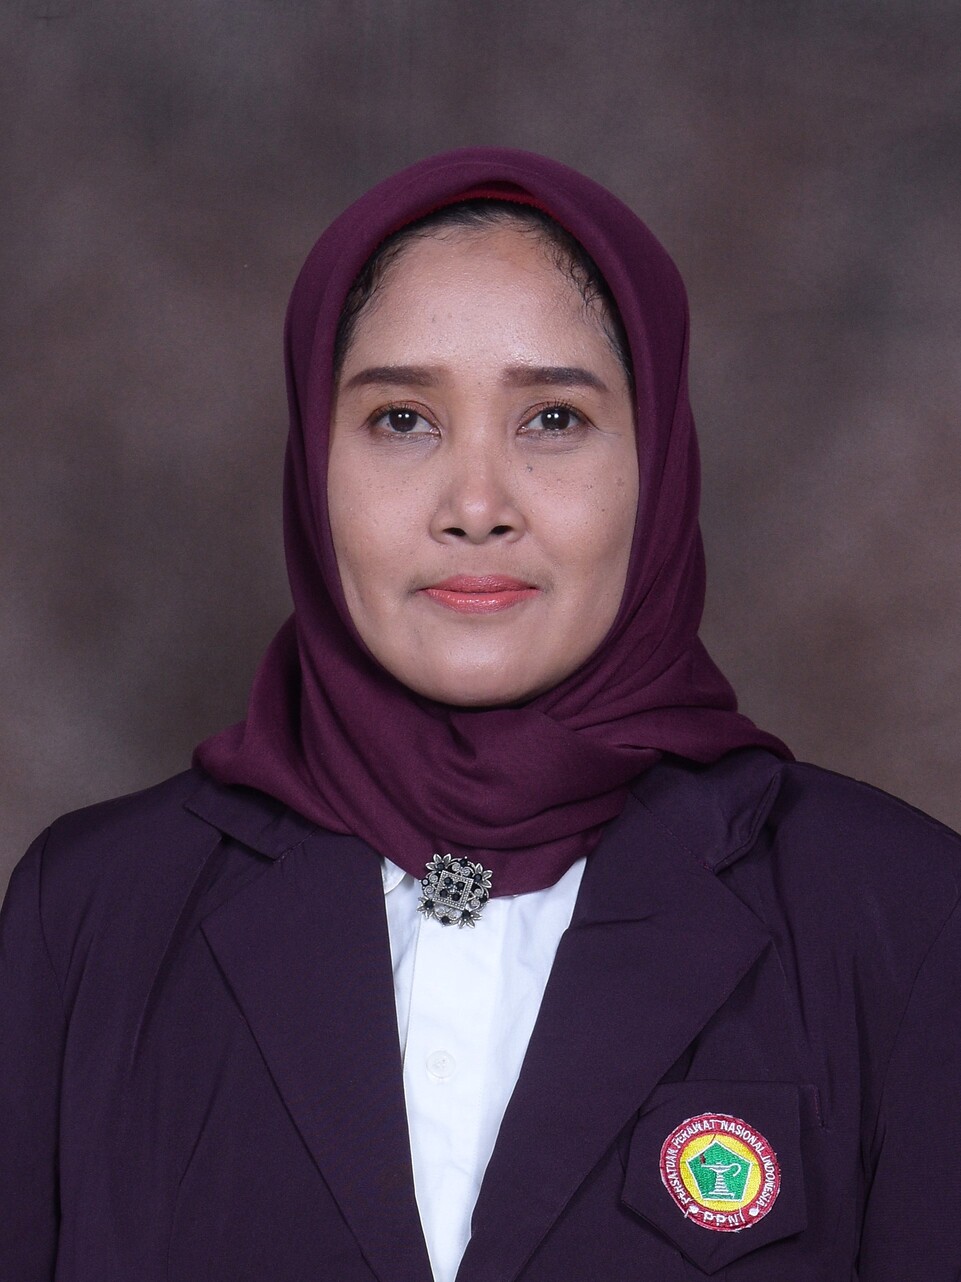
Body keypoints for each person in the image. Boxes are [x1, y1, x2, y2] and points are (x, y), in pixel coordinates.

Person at [2, 147, 960, 1282]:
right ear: (313, 465)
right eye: (402, 419)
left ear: (658, 465)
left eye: (552, 417)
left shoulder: (896, 914)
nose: (473, 505)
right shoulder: (95, 912)